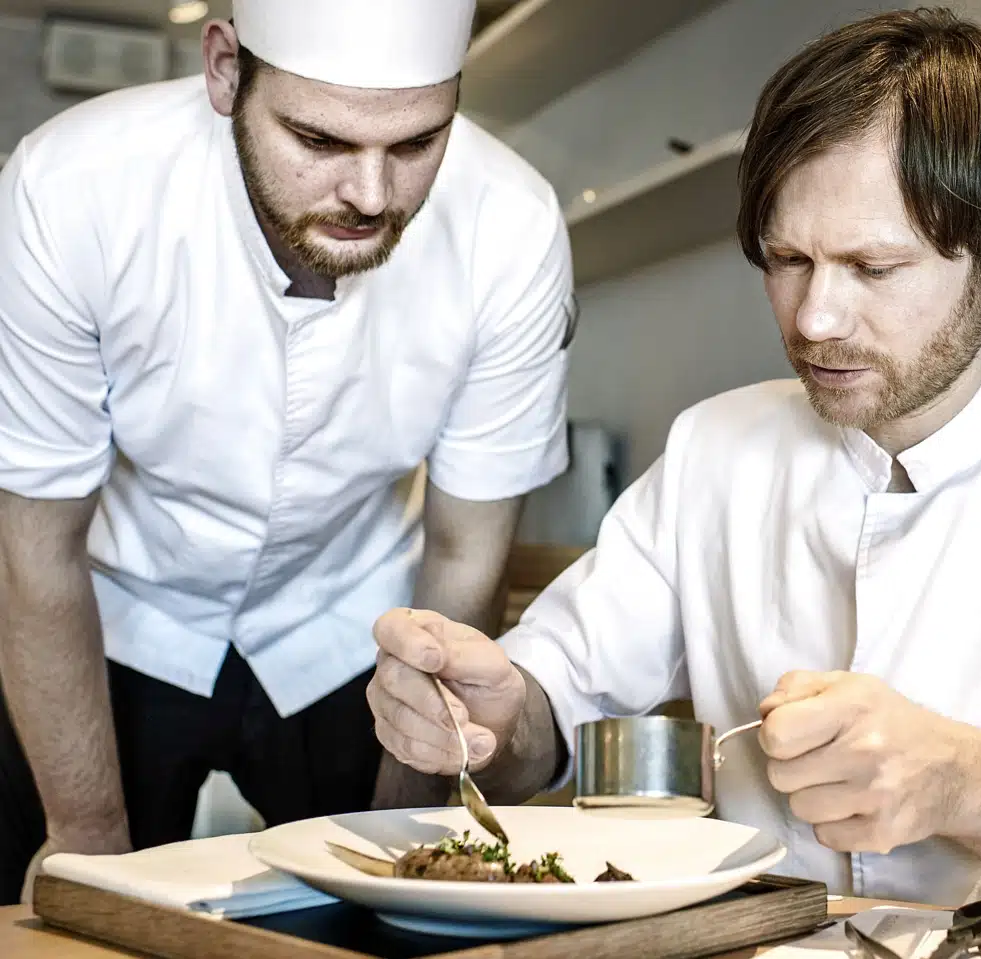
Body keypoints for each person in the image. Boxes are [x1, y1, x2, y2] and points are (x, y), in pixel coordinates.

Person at [367, 9, 981, 952]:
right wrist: (494, 713)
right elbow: (548, 711)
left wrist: (962, 779)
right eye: (787, 260)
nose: (817, 319)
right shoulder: (717, 447)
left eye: (875, 266)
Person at [0, 0, 575, 904]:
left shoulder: (515, 226)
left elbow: (467, 553)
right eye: (319, 139)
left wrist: (403, 854)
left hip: (353, 621)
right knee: (59, 894)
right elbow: (36, 545)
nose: (372, 195)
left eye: (419, 143)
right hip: (120, 607)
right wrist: (85, 847)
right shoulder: (71, 186)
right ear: (226, 69)